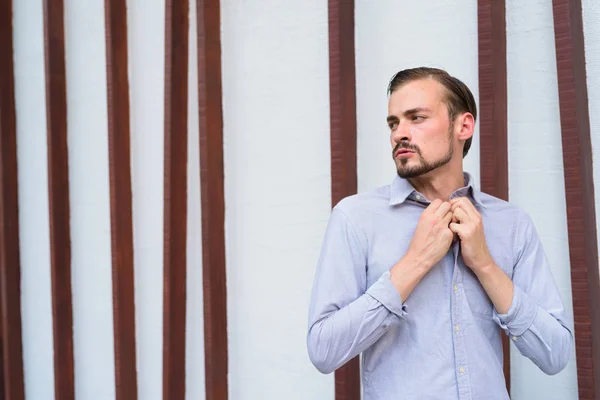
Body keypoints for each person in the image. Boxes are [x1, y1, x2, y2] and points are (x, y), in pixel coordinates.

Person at [306, 67, 573, 399]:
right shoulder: (356, 218)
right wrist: (416, 261)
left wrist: (486, 266)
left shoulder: (511, 223)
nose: (399, 134)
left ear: (463, 126)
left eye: (416, 118)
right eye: (393, 123)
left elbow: (555, 354)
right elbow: (323, 350)